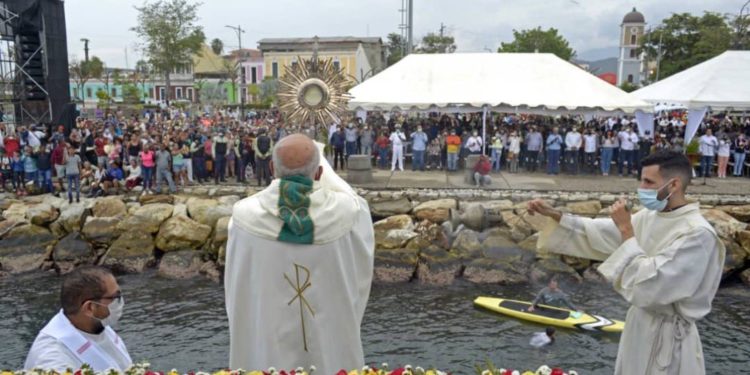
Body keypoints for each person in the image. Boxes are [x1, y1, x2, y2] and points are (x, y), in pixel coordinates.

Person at [527, 150, 724, 375]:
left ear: (673, 185)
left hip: (669, 336)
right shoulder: (651, 216)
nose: (641, 188)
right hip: (639, 327)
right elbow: (601, 233)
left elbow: (653, 285)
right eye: (641, 180)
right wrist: (554, 214)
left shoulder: (697, 234)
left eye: (649, 182)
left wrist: (626, 230)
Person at [225, 134, 374, 374]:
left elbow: (237, 286)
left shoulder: (243, 216)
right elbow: (361, 269)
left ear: (272, 168)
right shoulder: (350, 212)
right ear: (318, 174)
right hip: (330, 348)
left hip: (267, 345)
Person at [24, 266, 131, 372]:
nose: (120, 302)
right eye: (115, 297)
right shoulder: (53, 358)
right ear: (90, 308)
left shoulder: (97, 326)